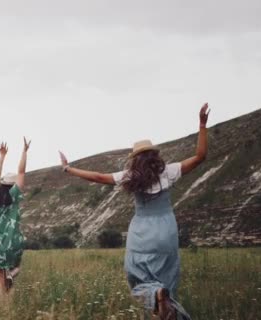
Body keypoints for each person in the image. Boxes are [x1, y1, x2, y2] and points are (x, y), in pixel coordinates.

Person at [58, 104, 210, 319]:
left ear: (135, 158)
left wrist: (68, 168)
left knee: (137, 274)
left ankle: (155, 294)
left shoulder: (130, 176)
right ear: (155, 156)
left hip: (141, 232)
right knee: (167, 273)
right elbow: (200, 156)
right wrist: (202, 125)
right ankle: (166, 305)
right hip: (166, 230)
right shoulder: (169, 172)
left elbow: (98, 177)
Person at [0, 137, 30, 304]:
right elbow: (22, 173)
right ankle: (12, 273)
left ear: (2, 185)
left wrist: (2, 156)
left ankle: (0, 312)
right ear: (13, 186)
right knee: (9, 281)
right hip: (13, 243)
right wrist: (24, 151)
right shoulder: (15, 196)